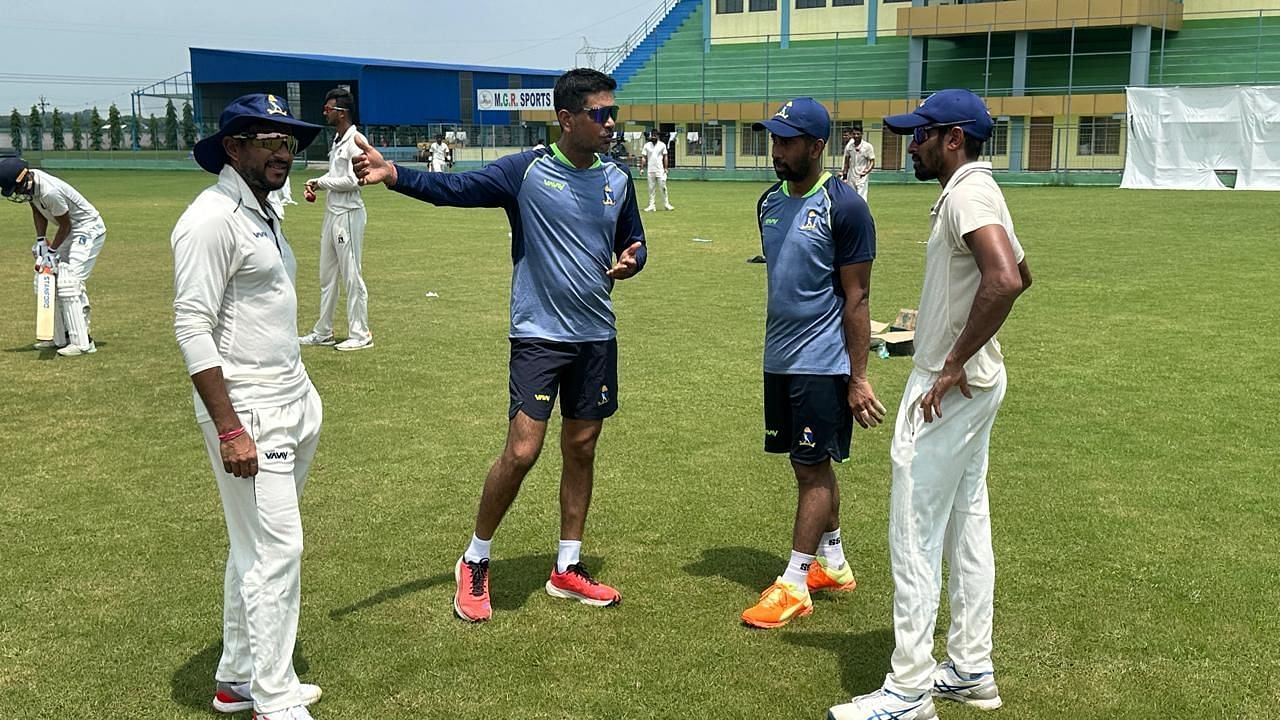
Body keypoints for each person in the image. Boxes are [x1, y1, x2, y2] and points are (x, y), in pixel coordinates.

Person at [352, 67, 647, 623]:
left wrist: (633, 258)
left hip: (596, 336)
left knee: (581, 447)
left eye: (613, 112)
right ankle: (475, 558)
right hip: (538, 335)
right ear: (566, 119)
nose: (611, 123)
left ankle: (567, 566)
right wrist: (394, 174)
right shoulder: (526, 171)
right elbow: (455, 189)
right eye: (600, 114)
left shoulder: (618, 180)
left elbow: (634, 238)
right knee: (522, 450)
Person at [827, 89, 1032, 720]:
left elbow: (1004, 280)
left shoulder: (968, 190)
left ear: (953, 139)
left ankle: (909, 690)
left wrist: (949, 363)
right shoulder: (974, 189)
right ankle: (971, 668)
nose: (909, 144)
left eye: (921, 134)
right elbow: (1019, 273)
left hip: (949, 386)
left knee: (914, 527)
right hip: (976, 380)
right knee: (967, 521)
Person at [171, 93, 326, 720]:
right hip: (249, 410)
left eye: (288, 140)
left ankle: (237, 678)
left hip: (291, 397)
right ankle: (273, 696)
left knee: (254, 547)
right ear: (233, 147)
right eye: (268, 140)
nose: (283, 151)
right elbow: (191, 328)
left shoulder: (264, 209)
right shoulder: (210, 218)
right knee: (276, 550)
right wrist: (231, 427)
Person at [740, 98, 884, 630]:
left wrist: (858, 376)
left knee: (811, 466)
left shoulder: (845, 208)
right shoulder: (767, 203)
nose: (777, 150)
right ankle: (835, 564)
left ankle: (795, 584)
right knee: (810, 462)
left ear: (817, 145)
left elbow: (858, 299)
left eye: (788, 141)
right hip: (777, 357)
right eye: (774, 139)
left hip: (821, 362)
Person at [0, 158, 106, 356]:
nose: (17, 194)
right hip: (71, 229)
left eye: (16, 189)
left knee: (70, 280)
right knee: (48, 277)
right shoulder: (31, 188)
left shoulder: (49, 191)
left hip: (88, 228)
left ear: (24, 179)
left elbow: (66, 224)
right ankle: (59, 338)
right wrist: (41, 240)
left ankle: (83, 342)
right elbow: (37, 210)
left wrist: (52, 250)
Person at [299, 88, 373, 352]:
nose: (324, 113)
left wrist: (321, 182)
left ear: (341, 113)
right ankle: (323, 331)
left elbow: (356, 180)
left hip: (349, 214)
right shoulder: (337, 140)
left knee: (352, 275)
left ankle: (360, 333)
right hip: (332, 213)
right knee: (326, 276)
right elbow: (336, 176)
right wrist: (319, 184)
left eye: (328, 109)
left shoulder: (356, 140)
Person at [842, 123, 876, 202]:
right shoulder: (849, 146)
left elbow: (872, 161)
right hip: (851, 175)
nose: (856, 136)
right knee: (851, 197)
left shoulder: (867, 146)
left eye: (858, 134)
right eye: (854, 134)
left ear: (862, 134)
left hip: (861, 176)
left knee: (861, 197)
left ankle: (862, 213)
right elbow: (846, 161)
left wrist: (866, 171)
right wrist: (844, 175)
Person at [641, 130, 674, 211]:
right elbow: (644, 157)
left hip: (660, 170)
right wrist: (641, 168)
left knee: (663, 187)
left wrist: (666, 168)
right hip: (650, 170)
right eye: (652, 135)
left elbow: (665, 156)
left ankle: (666, 204)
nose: (654, 137)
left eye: (655, 135)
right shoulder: (647, 145)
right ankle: (651, 205)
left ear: (658, 136)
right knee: (651, 188)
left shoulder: (662, 145)